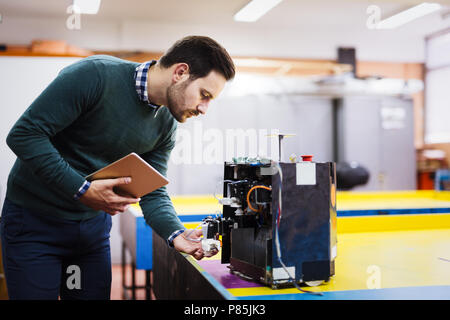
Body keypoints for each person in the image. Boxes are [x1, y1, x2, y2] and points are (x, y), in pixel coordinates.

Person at [0, 35, 235, 300]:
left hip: (89, 234)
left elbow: (153, 190)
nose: (204, 109)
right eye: (204, 95)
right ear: (180, 72)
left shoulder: (166, 125)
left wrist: (176, 233)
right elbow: (25, 135)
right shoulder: (95, 75)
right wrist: (82, 189)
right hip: (35, 226)